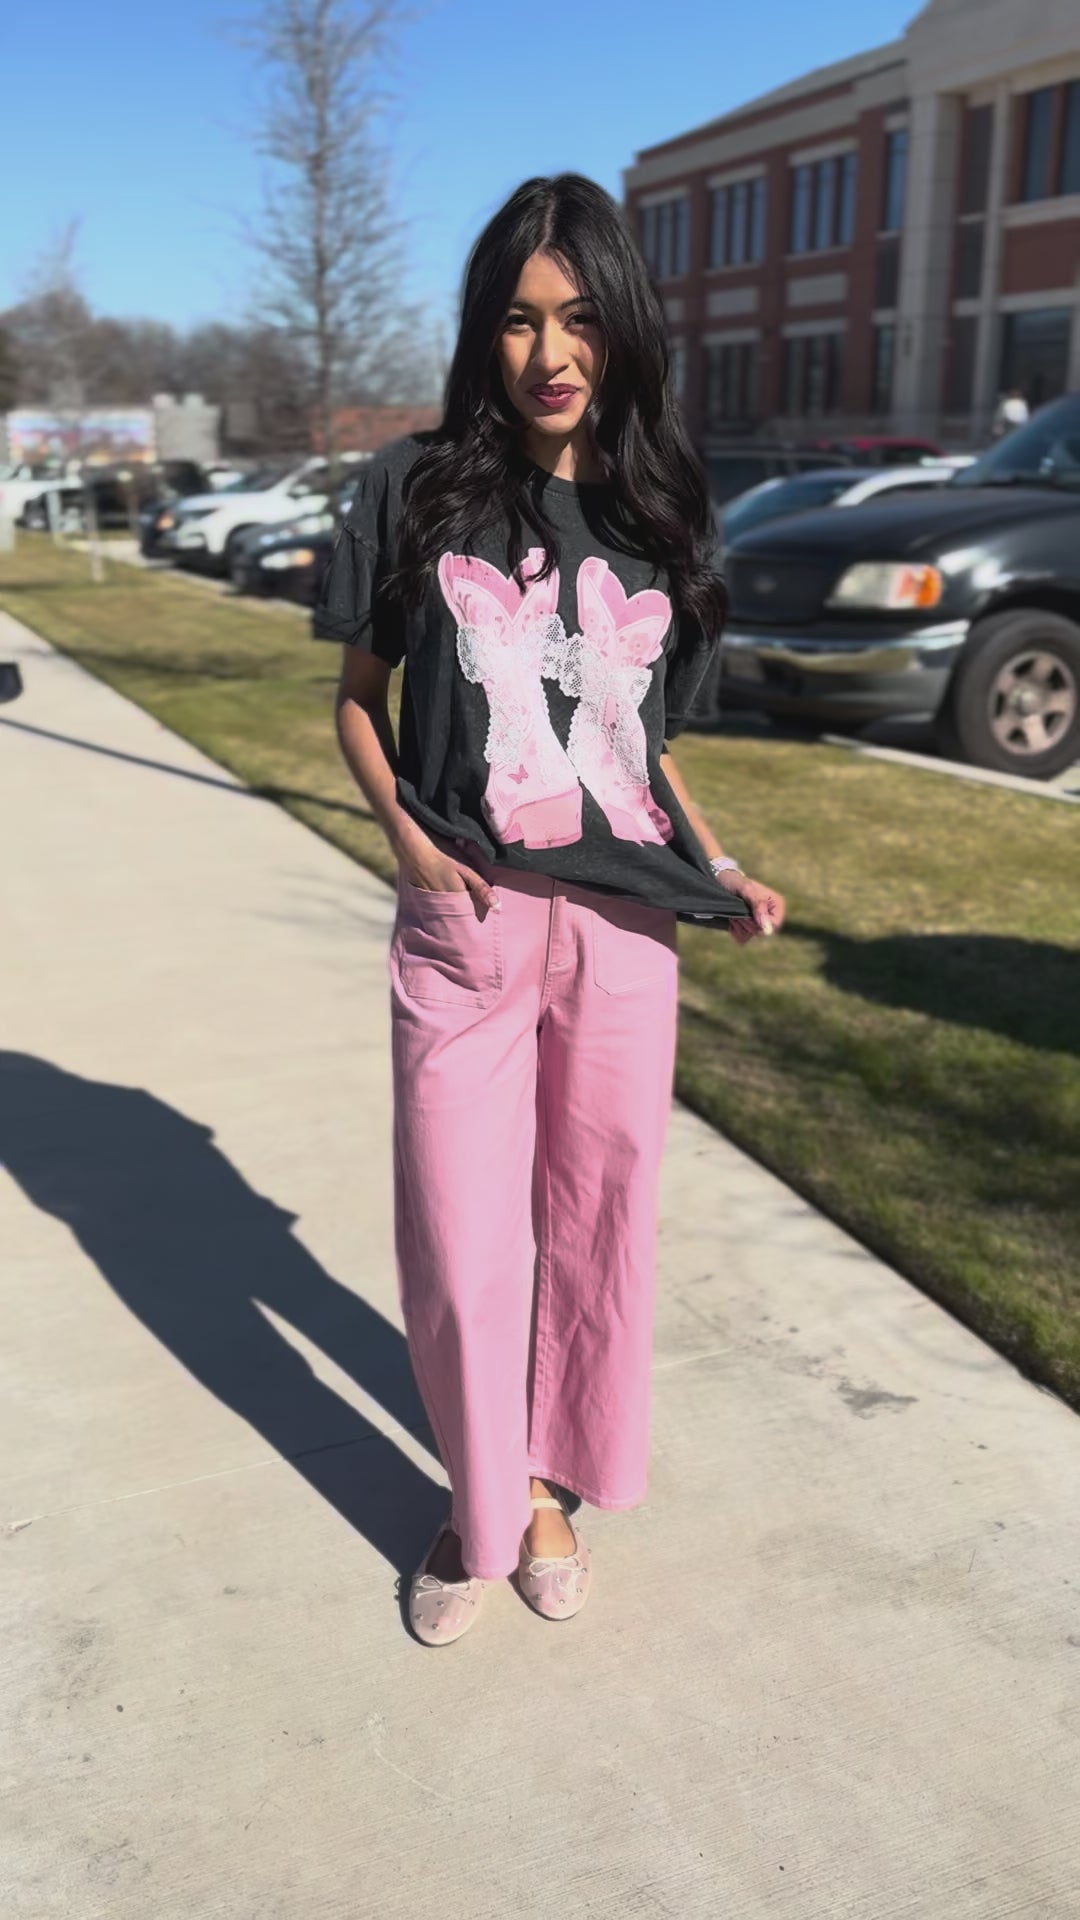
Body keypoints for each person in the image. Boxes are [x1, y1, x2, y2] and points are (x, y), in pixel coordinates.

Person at [313, 173, 786, 1646]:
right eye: (518, 321)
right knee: (462, 1229)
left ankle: (550, 1489)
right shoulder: (413, 489)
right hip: (470, 911)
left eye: (579, 317)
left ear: (623, 329)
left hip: (625, 931)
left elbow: (646, 747)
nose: (549, 351)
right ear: (485, 336)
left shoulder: (663, 509)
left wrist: (718, 868)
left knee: (597, 1218)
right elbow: (353, 704)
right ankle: (479, 1492)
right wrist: (405, 839)